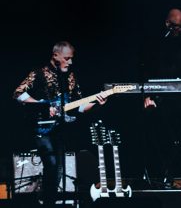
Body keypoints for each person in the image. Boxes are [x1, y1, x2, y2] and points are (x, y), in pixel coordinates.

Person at [13, 41, 109, 205]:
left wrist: (98, 105)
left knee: (58, 167)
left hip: (59, 129)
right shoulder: (38, 73)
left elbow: (79, 106)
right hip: (41, 127)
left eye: (71, 58)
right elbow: (18, 93)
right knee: (50, 163)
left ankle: (49, 202)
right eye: (67, 58)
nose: (70, 62)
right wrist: (43, 107)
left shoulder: (70, 77)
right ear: (55, 56)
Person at [139, 8, 181, 189]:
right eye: (177, 26)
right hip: (160, 101)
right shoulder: (153, 45)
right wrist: (146, 96)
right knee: (162, 141)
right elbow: (144, 72)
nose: (180, 30)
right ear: (168, 23)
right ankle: (165, 180)